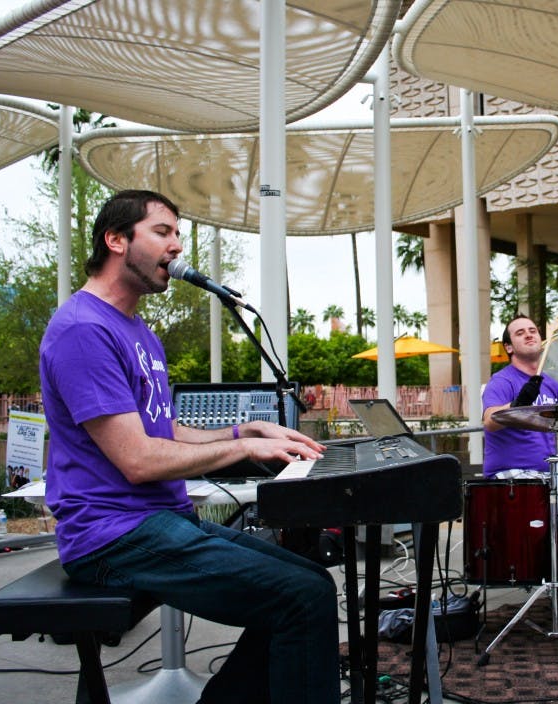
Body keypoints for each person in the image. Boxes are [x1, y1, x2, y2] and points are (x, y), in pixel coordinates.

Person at [39, 190, 340, 703]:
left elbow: (166, 432)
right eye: (163, 232)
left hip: (158, 521)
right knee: (301, 598)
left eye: (178, 234)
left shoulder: (137, 330)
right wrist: (241, 453)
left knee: (312, 582)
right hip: (113, 535)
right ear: (115, 240)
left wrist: (244, 432)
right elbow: (138, 460)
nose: (177, 246)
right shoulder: (82, 330)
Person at [482, 314, 558, 535]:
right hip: (509, 472)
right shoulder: (502, 381)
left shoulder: (552, 385)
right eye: (520, 333)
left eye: (532, 330)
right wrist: (517, 405)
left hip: (545, 472)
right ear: (509, 347)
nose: (528, 334)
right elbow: (489, 421)